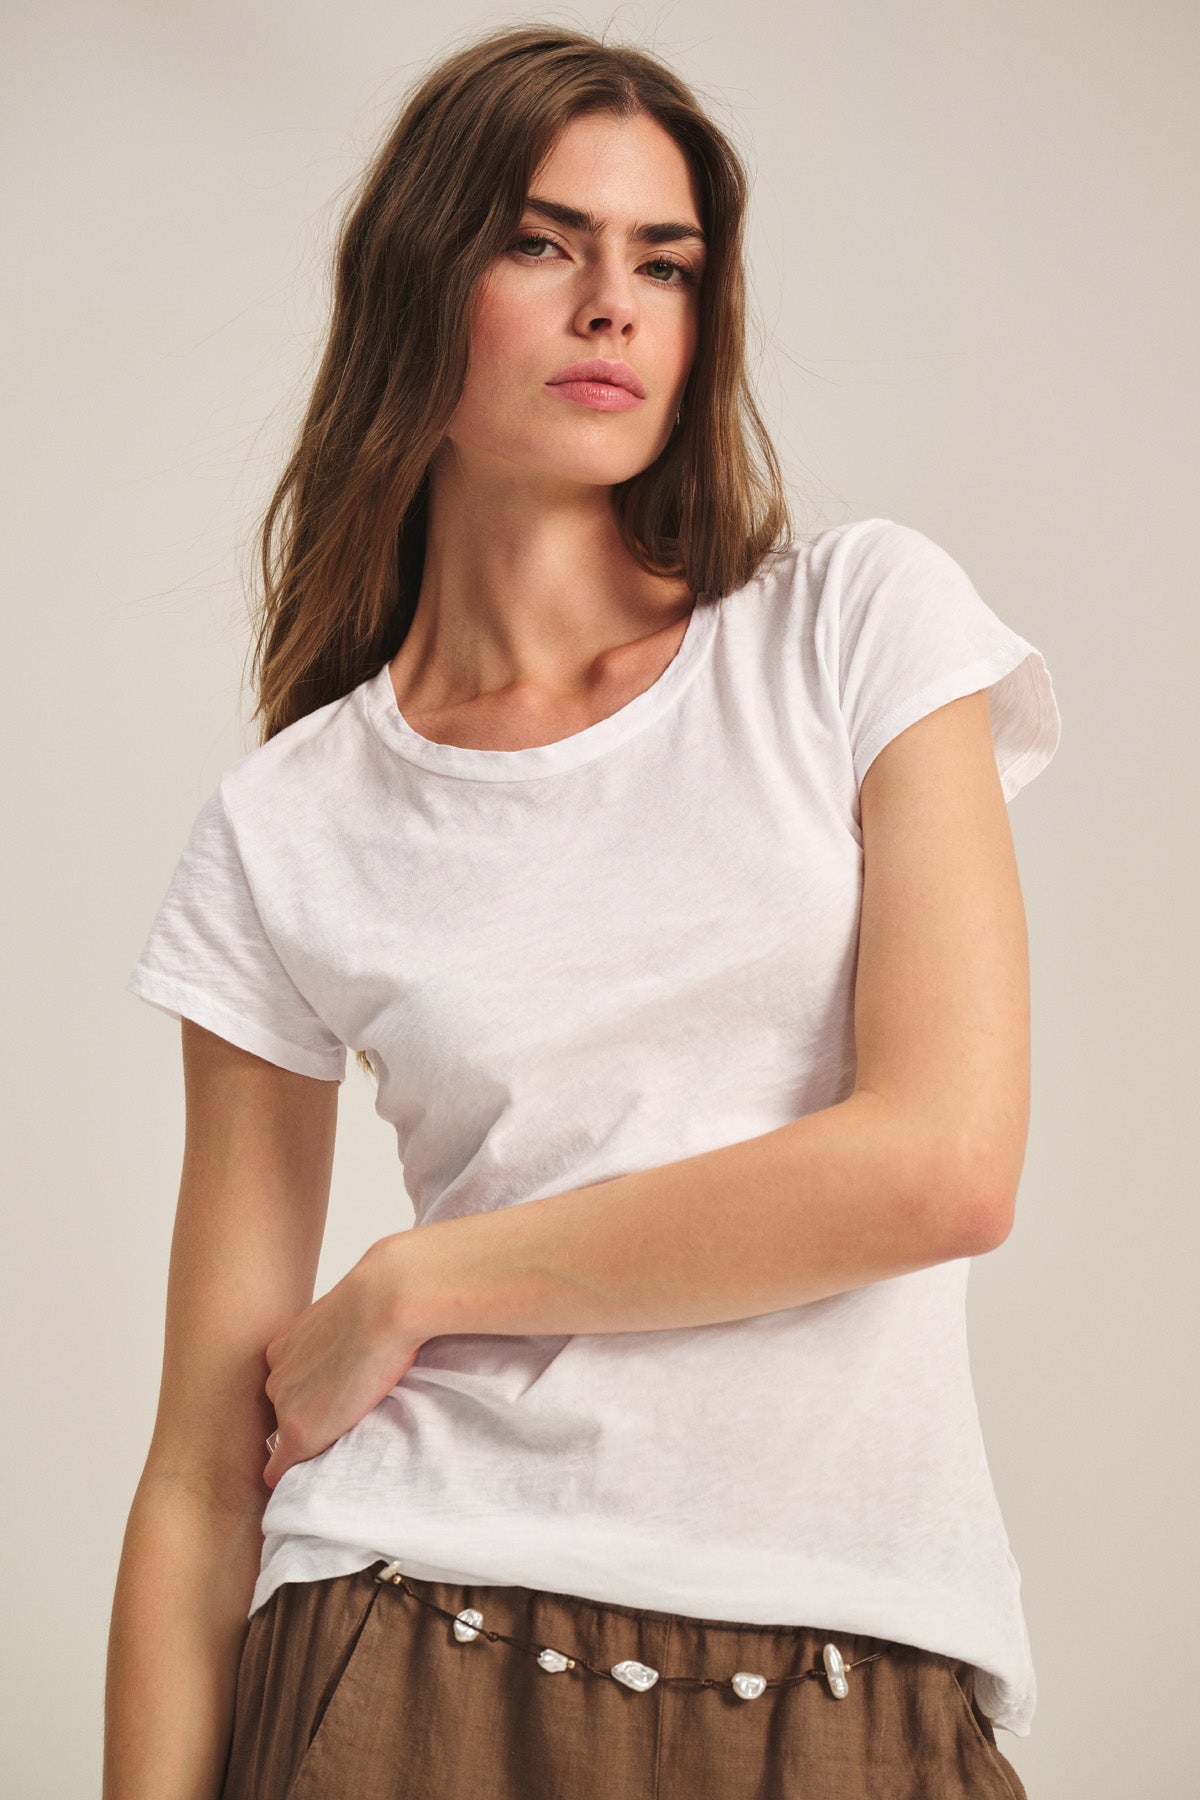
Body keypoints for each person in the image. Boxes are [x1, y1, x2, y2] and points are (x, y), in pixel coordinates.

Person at [104, 23, 1059, 1800]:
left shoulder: (856, 629)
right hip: (408, 1655)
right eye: (544, 242)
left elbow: (942, 1167)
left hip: (854, 1671)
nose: (614, 303)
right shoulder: (289, 821)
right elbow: (190, 1473)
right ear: (421, 279)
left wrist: (414, 1282)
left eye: (664, 261)